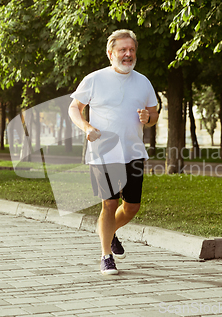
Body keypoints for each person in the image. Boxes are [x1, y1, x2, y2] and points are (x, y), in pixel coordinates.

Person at [68, 29, 158, 275]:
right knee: (109, 204)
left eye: (131, 50)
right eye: (122, 50)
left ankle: (110, 233)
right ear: (111, 53)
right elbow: (74, 108)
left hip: (133, 152)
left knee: (132, 207)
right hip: (104, 153)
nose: (128, 54)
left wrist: (148, 117)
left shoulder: (143, 82)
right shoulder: (94, 79)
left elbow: (153, 115)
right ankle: (106, 255)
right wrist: (86, 126)